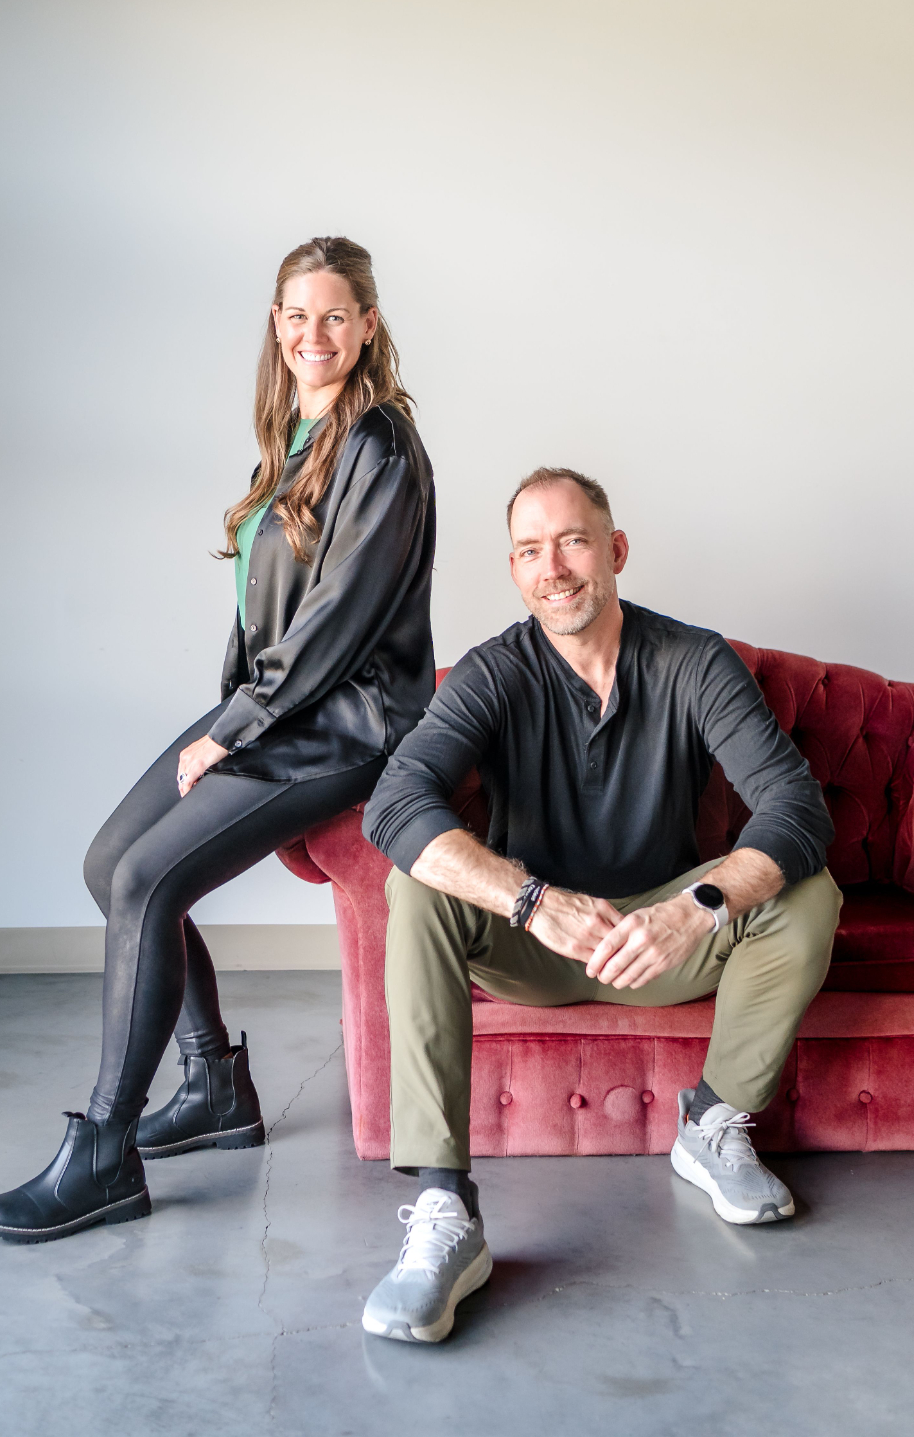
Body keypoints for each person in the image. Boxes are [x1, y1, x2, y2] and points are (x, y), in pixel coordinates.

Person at [0, 237, 436, 1244]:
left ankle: (106, 1151)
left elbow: (337, 622)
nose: (313, 334)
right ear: (277, 323)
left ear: (367, 326)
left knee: (147, 880)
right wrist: (236, 710)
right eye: (296, 315)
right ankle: (215, 1084)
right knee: (109, 866)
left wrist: (233, 728)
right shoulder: (298, 434)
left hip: (346, 722)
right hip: (280, 704)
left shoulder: (381, 446)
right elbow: (267, 606)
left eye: (334, 316)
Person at [359, 466, 841, 1343]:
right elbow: (395, 804)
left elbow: (796, 809)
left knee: (809, 892)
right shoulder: (493, 671)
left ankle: (711, 1123)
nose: (554, 568)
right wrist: (531, 900)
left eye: (573, 541)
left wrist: (695, 906)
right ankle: (445, 1210)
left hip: (661, 941)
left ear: (615, 550)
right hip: (531, 941)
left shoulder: (694, 659)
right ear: (514, 569)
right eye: (530, 550)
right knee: (415, 884)